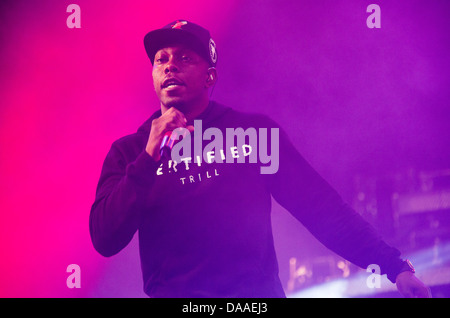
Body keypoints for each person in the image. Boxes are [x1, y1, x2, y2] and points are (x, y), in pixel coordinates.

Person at [89, 19, 431, 298]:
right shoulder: (131, 151)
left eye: (184, 58)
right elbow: (105, 238)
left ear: (210, 75)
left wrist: (393, 265)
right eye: (161, 59)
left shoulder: (254, 134)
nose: (170, 66)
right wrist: (150, 156)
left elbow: (321, 208)